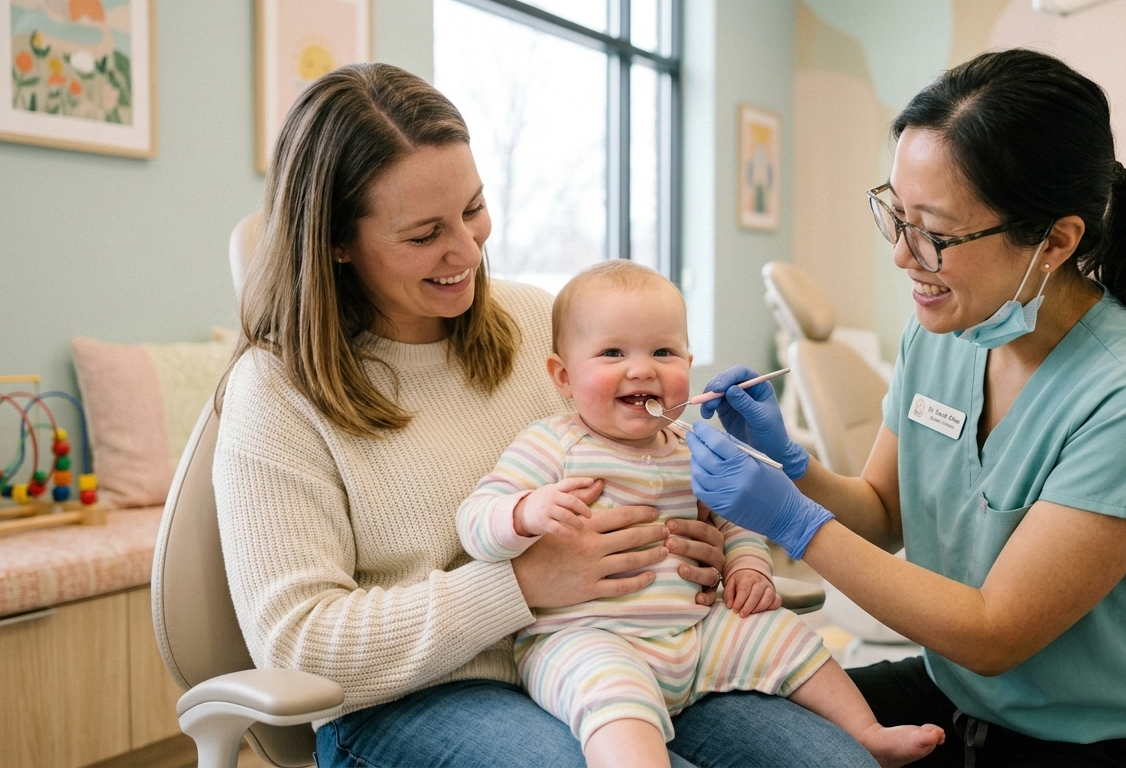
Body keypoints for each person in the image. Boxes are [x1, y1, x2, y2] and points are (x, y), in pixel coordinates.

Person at [214, 62, 877, 768]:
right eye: (423, 234)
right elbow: (299, 644)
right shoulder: (276, 392)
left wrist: (708, 552)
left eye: (473, 209)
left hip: (644, 647)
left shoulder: (537, 323)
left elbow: (660, 480)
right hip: (415, 696)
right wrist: (521, 585)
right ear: (336, 242)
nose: (469, 252)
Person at [685, 49, 1126, 768]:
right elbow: (880, 514)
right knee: (715, 719)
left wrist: (789, 520)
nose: (904, 257)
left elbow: (995, 633)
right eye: (896, 216)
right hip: (962, 696)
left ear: (1056, 241)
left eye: (934, 233)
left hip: (1100, 738)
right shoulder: (943, 331)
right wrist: (792, 466)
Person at [458, 261, 945, 768]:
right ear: (563, 375)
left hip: (697, 635)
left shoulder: (691, 447)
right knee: (611, 699)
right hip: (588, 637)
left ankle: (865, 733)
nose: (642, 368)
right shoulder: (551, 443)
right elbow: (475, 523)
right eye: (612, 353)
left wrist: (749, 566)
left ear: (689, 367)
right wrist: (524, 512)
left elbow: (737, 521)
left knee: (780, 631)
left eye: (663, 352)